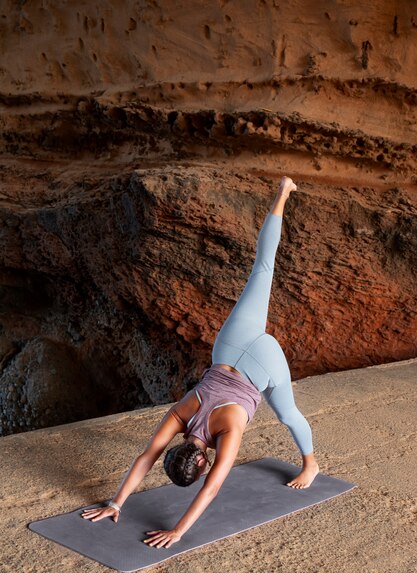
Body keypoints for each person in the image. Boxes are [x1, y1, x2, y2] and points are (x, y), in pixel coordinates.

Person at [81, 176, 319, 549]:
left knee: (288, 414)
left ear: (203, 460)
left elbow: (212, 489)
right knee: (262, 269)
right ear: (181, 449)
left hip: (262, 363)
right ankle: (284, 191)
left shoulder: (229, 432)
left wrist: (178, 530)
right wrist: (115, 501)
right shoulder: (181, 413)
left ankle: (311, 464)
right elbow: (147, 457)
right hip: (229, 347)